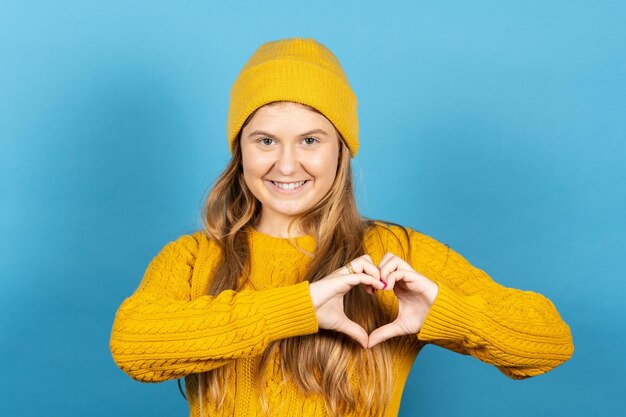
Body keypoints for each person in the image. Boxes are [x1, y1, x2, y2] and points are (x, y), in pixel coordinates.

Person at [109, 37, 574, 417]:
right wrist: (299, 307)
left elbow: (548, 342)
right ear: (241, 152)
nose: (286, 164)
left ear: (340, 150)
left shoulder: (396, 254)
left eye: (310, 139)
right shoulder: (193, 257)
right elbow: (134, 347)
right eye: (265, 140)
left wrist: (444, 313)